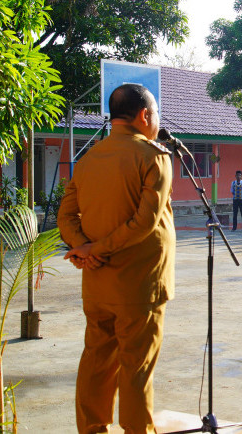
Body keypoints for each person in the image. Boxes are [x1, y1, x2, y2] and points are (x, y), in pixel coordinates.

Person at [58, 84, 175, 434]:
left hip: (97, 284)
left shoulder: (89, 158)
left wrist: (83, 248)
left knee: (96, 361)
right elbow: (145, 222)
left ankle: (93, 430)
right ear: (145, 115)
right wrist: (96, 249)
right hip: (139, 284)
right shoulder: (154, 156)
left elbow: (66, 217)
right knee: (136, 368)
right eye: (155, 116)